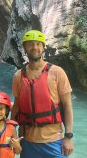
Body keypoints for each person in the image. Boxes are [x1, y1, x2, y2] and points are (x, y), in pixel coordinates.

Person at [11, 30, 74, 158]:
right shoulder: (18, 76)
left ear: (43, 47)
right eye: (30, 44)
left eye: (38, 44)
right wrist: (12, 134)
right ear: (24, 48)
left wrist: (68, 137)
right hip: (27, 141)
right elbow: (16, 108)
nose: (35, 47)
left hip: (54, 141)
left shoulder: (57, 72)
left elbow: (67, 106)